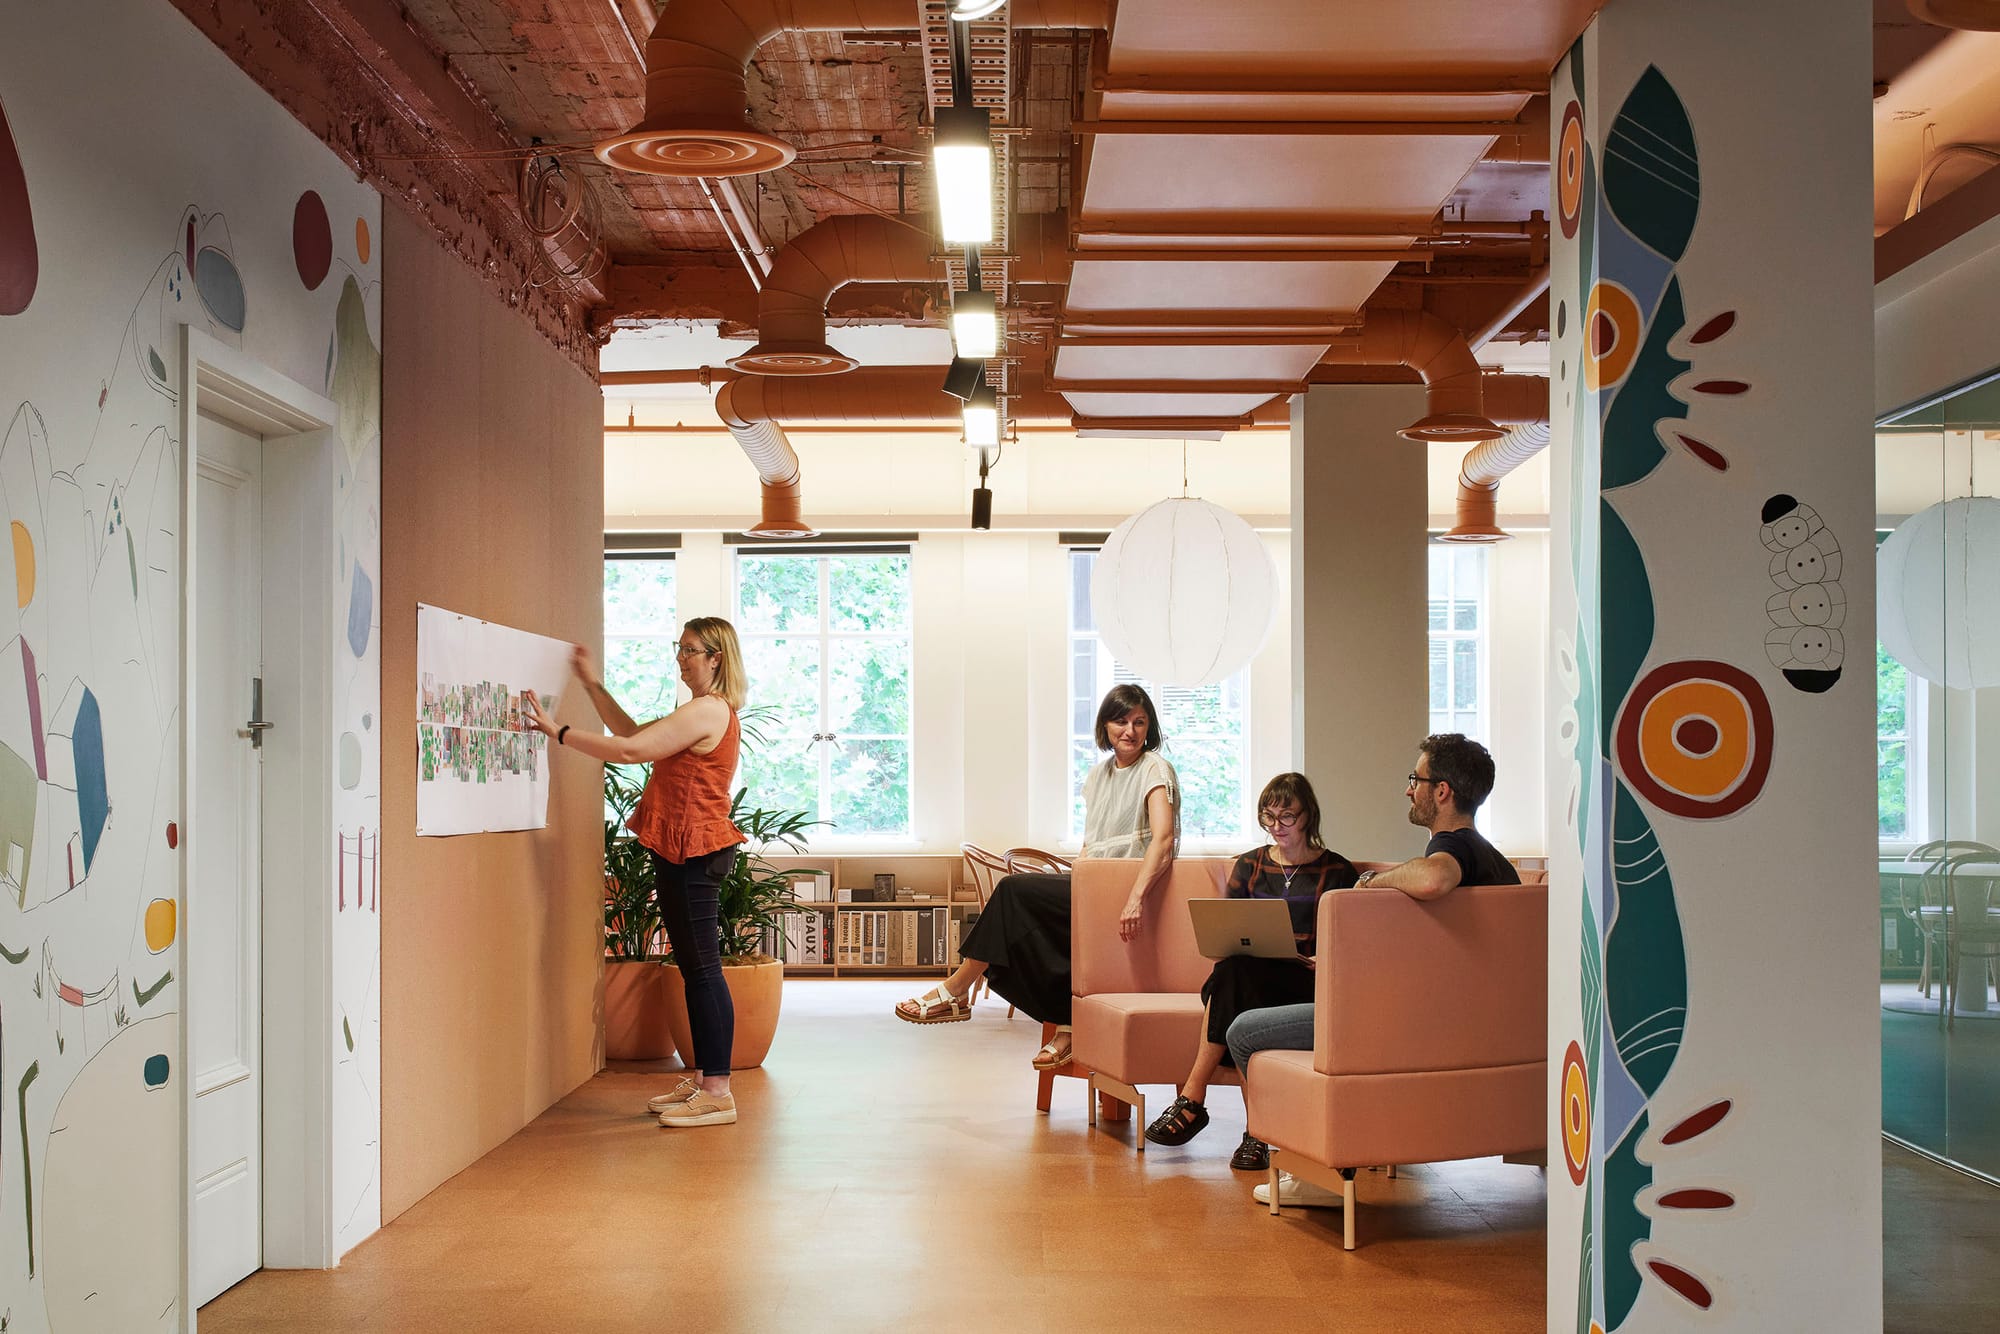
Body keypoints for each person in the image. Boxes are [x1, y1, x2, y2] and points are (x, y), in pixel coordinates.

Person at [1235, 734, 1520, 1207]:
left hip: (1420, 1028)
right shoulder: (1495, 861)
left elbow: (1434, 876)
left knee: (1245, 1032)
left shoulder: (1455, 847)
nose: (1409, 789)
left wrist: (1370, 883)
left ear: (1442, 791)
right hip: (1477, 1027)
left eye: (1416, 779)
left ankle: (1314, 1171)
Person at [527, 618, 750, 1129]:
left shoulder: (708, 711)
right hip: (682, 850)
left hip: (695, 851)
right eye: (679, 648)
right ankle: (706, 1081)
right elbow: (631, 733)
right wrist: (591, 684)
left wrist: (560, 733)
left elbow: (630, 753)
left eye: (690, 650)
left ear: (715, 657)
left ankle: (718, 1093)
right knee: (695, 969)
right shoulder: (700, 709)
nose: (680, 658)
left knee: (703, 971)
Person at [894, 684, 1178, 1072]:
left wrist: (1135, 899)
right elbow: (1092, 842)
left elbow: (1163, 840)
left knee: (1012, 892)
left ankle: (958, 989)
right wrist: (1076, 878)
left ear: (1150, 727)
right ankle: (1067, 1022)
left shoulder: (1155, 769)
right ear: (1104, 725)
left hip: (1126, 889)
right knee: (1028, 932)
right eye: (1121, 721)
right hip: (1094, 885)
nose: (1130, 730)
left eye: (1139, 722)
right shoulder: (1098, 775)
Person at [1141, 773, 1356, 1167]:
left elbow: (1351, 945)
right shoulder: (1251, 864)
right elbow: (1228, 932)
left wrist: (1323, 959)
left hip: (1306, 983)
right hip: (1247, 981)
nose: (1277, 827)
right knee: (1239, 971)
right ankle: (1255, 1131)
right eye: (1268, 817)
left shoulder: (1338, 872)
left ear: (1308, 816)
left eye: (1287, 817)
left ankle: (1194, 1098)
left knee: (1235, 981)